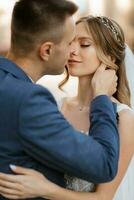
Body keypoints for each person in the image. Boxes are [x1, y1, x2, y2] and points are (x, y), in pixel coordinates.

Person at [0, 15, 133, 200]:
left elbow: (104, 198)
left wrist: (45, 189)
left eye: (84, 44)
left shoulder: (124, 118)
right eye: (70, 43)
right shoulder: (56, 104)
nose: (72, 51)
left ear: (109, 56)